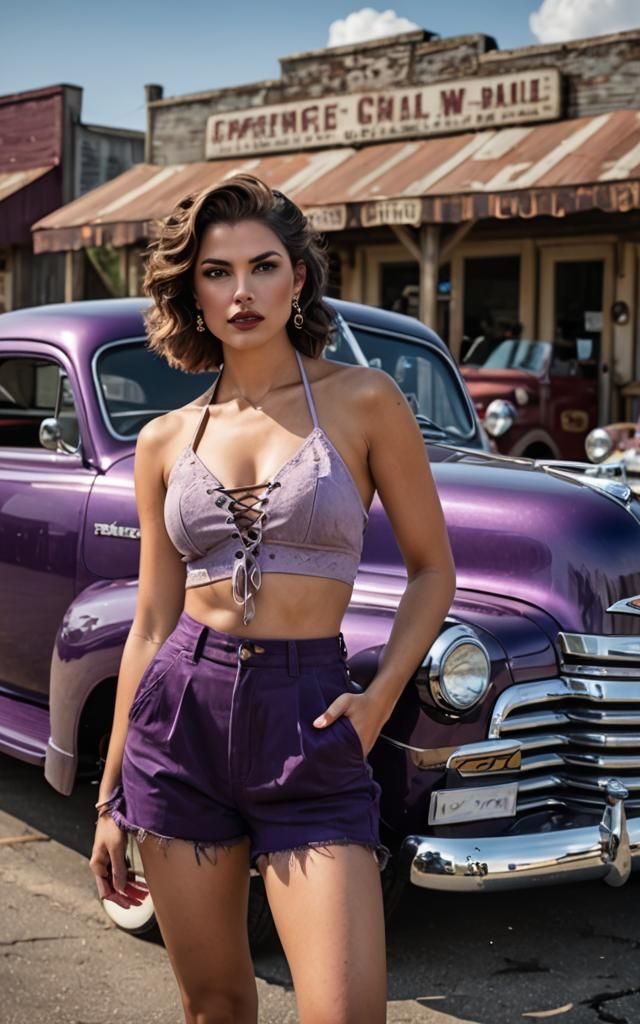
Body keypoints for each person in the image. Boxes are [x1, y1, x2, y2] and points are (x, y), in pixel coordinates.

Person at [89, 174, 456, 1024]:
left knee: (346, 1012)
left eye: (263, 267)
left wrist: (378, 701)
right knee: (216, 1005)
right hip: (180, 720)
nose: (242, 292)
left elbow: (432, 569)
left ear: (298, 280)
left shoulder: (363, 401)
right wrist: (111, 801)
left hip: (310, 715)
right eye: (218, 272)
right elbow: (151, 623)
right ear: (193, 290)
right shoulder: (162, 440)